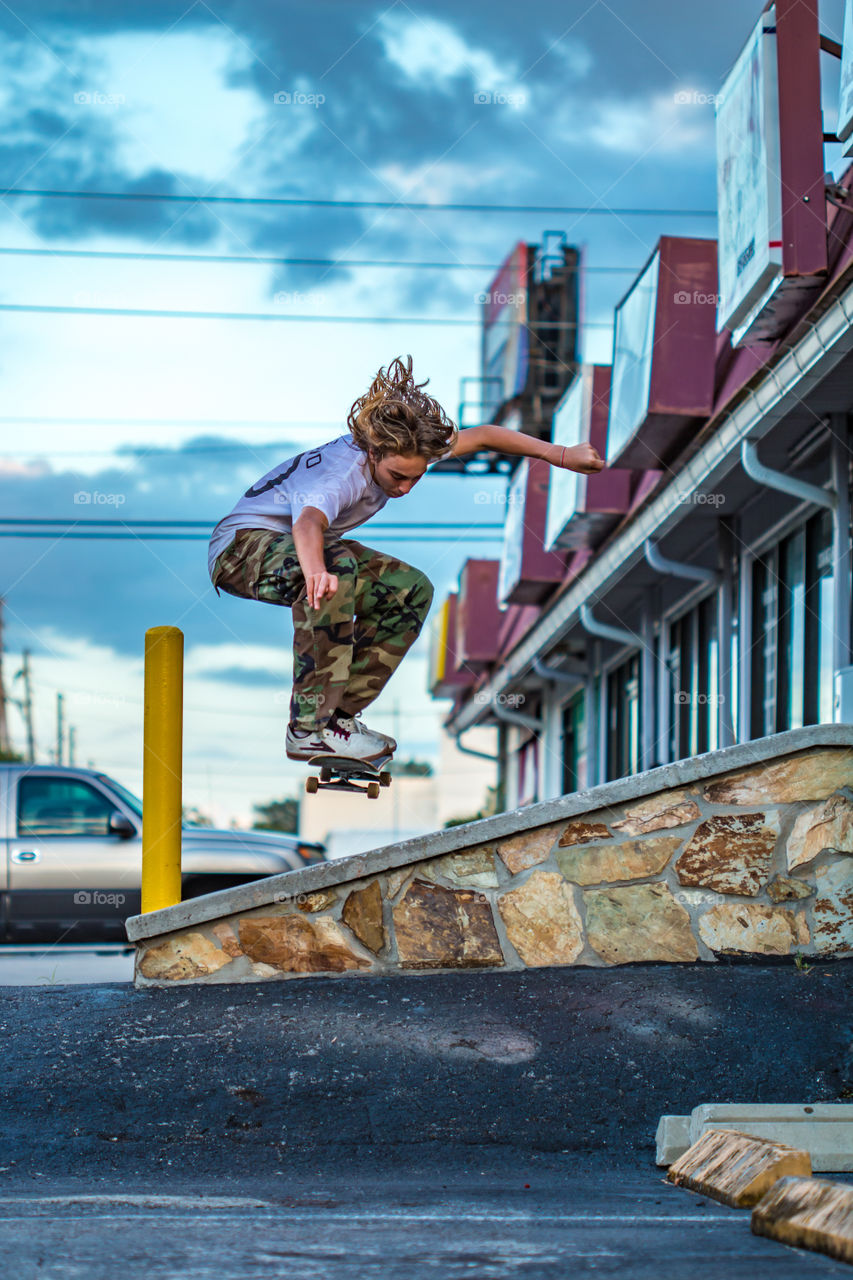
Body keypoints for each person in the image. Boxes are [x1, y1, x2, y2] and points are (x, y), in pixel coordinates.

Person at [208, 355, 603, 764]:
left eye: (417, 476)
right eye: (398, 476)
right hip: (240, 551)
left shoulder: (412, 449)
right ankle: (309, 727)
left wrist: (561, 455)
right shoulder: (343, 473)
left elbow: (485, 436)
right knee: (336, 566)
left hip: (297, 547)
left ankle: (338, 719)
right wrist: (316, 571)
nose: (407, 487)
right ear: (374, 452)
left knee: (409, 591)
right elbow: (308, 523)